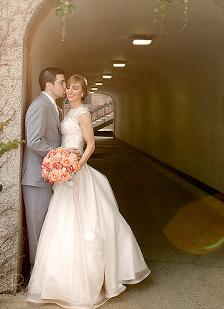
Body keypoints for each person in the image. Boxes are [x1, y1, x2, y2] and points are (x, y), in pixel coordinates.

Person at [27, 75, 150, 308]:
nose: (70, 91)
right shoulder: (66, 112)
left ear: (83, 92)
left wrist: (75, 166)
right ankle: (59, 280)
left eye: (75, 88)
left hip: (76, 171)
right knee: (62, 224)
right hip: (65, 173)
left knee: (87, 226)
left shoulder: (83, 114)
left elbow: (90, 145)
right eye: (68, 87)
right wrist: (61, 163)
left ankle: (87, 282)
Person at [22, 67, 67, 267]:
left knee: (47, 230)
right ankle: (37, 280)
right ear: (49, 85)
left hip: (46, 178)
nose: (65, 86)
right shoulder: (39, 106)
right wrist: (61, 154)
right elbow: (34, 141)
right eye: (62, 83)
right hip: (36, 179)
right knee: (38, 231)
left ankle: (45, 276)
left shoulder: (52, 106)